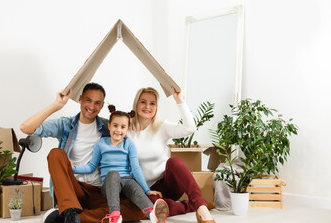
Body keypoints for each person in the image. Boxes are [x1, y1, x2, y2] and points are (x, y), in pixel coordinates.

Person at [20, 83, 147, 223]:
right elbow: (26, 128)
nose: (92, 107)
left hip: (101, 192)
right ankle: (70, 210)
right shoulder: (65, 125)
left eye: (97, 103)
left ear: (102, 105)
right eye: (88, 100)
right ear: (80, 99)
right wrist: (57, 105)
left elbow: (130, 130)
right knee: (56, 153)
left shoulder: (109, 126)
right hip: (74, 190)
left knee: (140, 208)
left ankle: (73, 219)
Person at [129, 86, 217, 223]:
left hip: (167, 183)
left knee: (174, 161)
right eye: (143, 102)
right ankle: (188, 205)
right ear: (136, 104)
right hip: (144, 189)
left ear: (157, 107)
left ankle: (200, 206)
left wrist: (180, 101)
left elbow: (190, 128)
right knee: (152, 208)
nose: (147, 107)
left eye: (152, 103)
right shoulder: (126, 128)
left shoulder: (162, 126)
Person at [71, 105, 169, 223]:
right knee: (113, 174)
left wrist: (147, 190)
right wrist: (74, 168)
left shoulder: (129, 144)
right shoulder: (101, 144)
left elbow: (136, 169)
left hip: (126, 180)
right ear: (109, 126)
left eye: (123, 127)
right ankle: (115, 215)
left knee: (134, 188)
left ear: (127, 129)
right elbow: (91, 166)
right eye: (115, 126)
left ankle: (152, 213)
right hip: (109, 184)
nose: (118, 130)